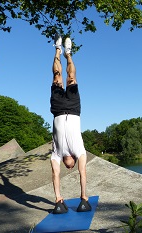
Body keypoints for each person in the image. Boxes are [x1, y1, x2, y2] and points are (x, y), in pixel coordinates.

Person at [49, 35, 91, 214]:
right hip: (73, 109)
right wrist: (84, 197)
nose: (70, 167)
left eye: (69, 167)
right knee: (71, 76)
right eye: (72, 166)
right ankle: (68, 53)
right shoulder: (80, 151)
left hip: (58, 109)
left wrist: (58, 198)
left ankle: (58, 51)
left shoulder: (56, 154)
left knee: (57, 76)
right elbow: (83, 173)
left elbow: (55, 175)